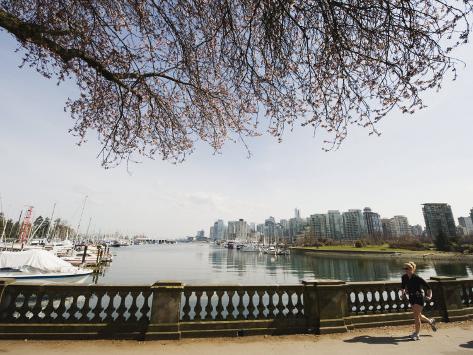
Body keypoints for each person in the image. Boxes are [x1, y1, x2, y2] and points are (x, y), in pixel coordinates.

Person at [401, 261, 437, 340]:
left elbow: (428, 287)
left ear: (411, 269)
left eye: (407, 268)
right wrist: (403, 294)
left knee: (416, 316)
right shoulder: (404, 277)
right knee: (419, 315)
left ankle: (416, 334)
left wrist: (429, 296)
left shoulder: (417, 278)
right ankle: (430, 321)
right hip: (411, 298)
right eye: (404, 269)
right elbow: (403, 287)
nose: (405, 270)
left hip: (419, 297)